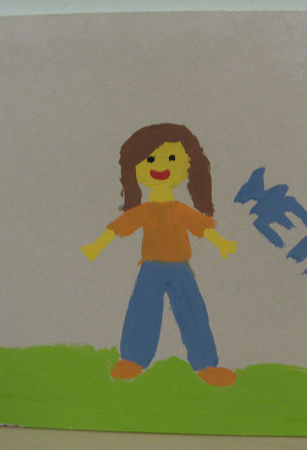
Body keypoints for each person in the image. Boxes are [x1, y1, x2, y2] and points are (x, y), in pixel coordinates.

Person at [81, 123, 237, 386]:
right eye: (150, 159)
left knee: (192, 310)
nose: (161, 165)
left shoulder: (180, 210)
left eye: (172, 158)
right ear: (136, 168)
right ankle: (132, 359)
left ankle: (206, 364)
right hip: (151, 268)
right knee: (142, 310)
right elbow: (119, 227)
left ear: (187, 164)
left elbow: (202, 227)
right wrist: (96, 245)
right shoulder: (145, 210)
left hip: (179, 268)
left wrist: (221, 243)